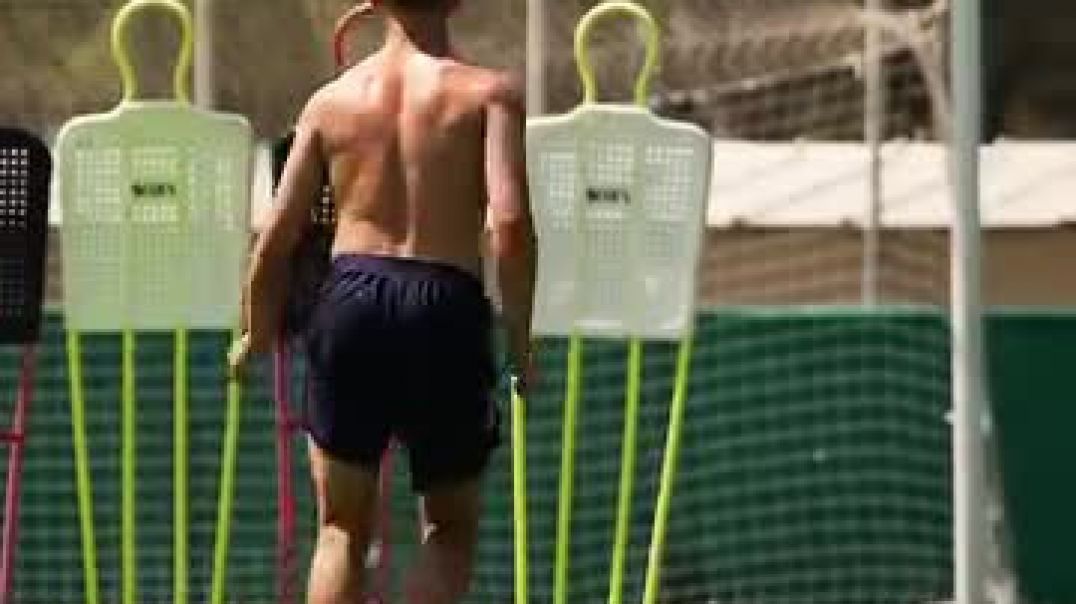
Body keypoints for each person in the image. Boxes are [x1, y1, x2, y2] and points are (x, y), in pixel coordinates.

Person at [228, 0, 536, 602]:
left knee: (341, 527)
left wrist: (255, 332)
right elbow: (509, 224)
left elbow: (278, 235)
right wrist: (521, 342)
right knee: (449, 531)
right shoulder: (489, 95)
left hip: (350, 301)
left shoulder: (330, 102)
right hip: (445, 307)